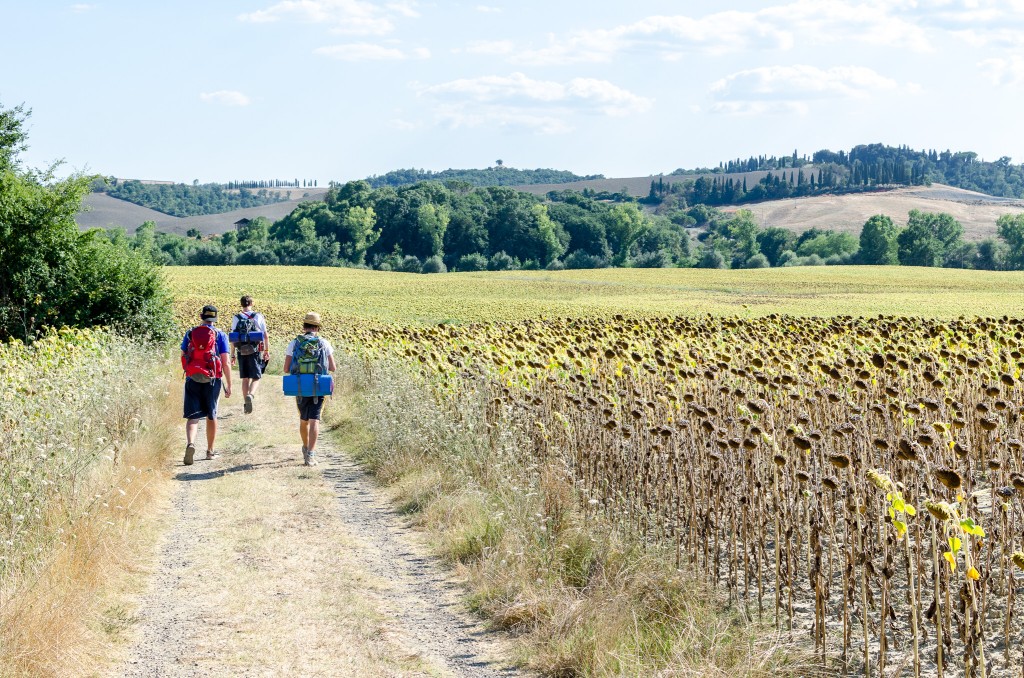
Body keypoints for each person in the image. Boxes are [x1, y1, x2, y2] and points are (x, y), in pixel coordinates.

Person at [180, 305, 232, 465]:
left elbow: (183, 354)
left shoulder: (190, 333)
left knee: (192, 416)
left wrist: (189, 371)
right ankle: (210, 451)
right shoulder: (220, 335)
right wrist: (229, 384)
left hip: (192, 377)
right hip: (212, 379)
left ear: (201, 317)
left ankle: (190, 444)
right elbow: (226, 361)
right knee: (212, 414)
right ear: (215, 319)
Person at [283, 312, 336, 467]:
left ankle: (305, 448)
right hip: (318, 386)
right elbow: (333, 367)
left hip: (299, 386)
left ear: (304, 326)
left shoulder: (294, 343)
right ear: (317, 327)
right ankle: (311, 455)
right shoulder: (324, 343)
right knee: (315, 420)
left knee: (304, 420)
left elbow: (286, 368)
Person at [229, 295, 270, 415]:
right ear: (252, 303)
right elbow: (265, 335)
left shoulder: (236, 318)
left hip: (241, 351)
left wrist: (232, 355)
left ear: (241, 304)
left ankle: (246, 405)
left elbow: (233, 338)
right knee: (256, 377)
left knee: (245, 378)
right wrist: (266, 351)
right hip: (255, 350)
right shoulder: (258, 316)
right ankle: (251, 395)